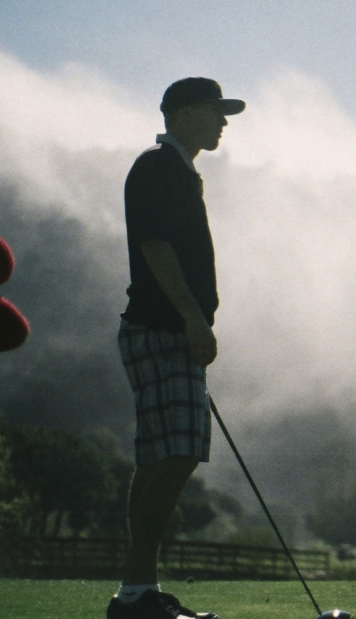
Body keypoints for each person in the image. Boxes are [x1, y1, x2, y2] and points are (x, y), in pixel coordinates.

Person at [107, 77, 244, 619]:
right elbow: (156, 247)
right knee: (180, 452)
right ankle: (136, 591)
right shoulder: (158, 167)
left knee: (158, 456)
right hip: (163, 328)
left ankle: (137, 592)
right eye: (217, 111)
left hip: (159, 329)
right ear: (187, 114)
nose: (224, 121)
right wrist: (193, 321)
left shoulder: (179, 172)